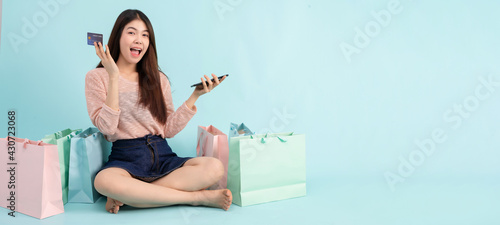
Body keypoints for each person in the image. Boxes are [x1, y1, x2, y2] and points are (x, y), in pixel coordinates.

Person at [85, 9, 231, 214]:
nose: (139, 40)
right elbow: (108, 128)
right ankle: (196, 197)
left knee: (214, 167)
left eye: (145, 35)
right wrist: (114, 77)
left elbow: (168, 129)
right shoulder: (97, 77)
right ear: (118, 36)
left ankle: (130, 196)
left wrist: (195, 96)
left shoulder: (158, 79)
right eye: (132, 32)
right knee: (103, 181)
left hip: (162, 155)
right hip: (126, 158)